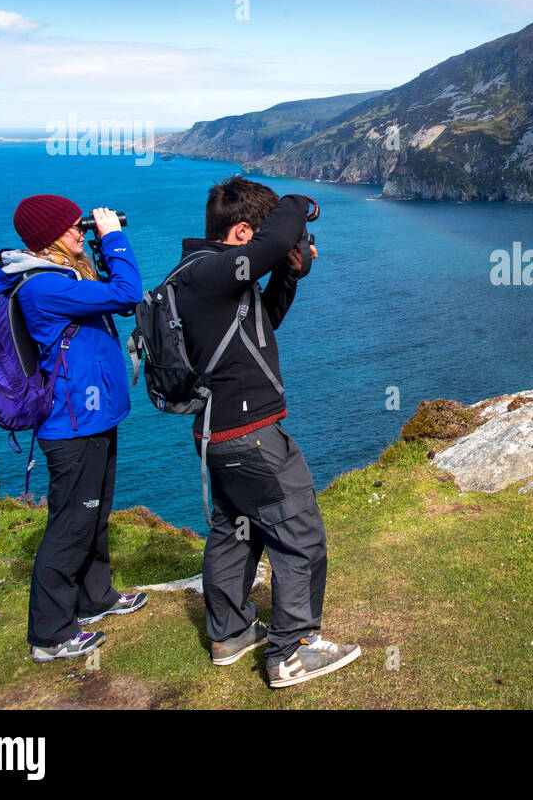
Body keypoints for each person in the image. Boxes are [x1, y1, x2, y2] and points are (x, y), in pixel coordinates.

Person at [171, 176, 359, 687]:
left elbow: (258, 327)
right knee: (300, 534)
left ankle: (230, 634)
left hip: (221, 436)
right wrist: (302, 203)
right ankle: (293, 650)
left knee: (238, 531)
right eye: (256, 238)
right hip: (251, 436)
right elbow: (275, 240)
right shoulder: (212, 272)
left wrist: (290, 277)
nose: (270, 250)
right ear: (240, 234)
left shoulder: (200, 276)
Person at [0, 195, 147, 662]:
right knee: (70, 524)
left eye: (81, 224)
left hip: (94, 415)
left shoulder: (65, 276)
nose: (80, 230)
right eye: (73, 226)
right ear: (48, 237)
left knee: (94, 512)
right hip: (71, 426)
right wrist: (112, 237)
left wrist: (92, 246)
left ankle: (95, 597)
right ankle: (50, 635)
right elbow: (127, 293)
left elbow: (114, 300)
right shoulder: (42, 287)